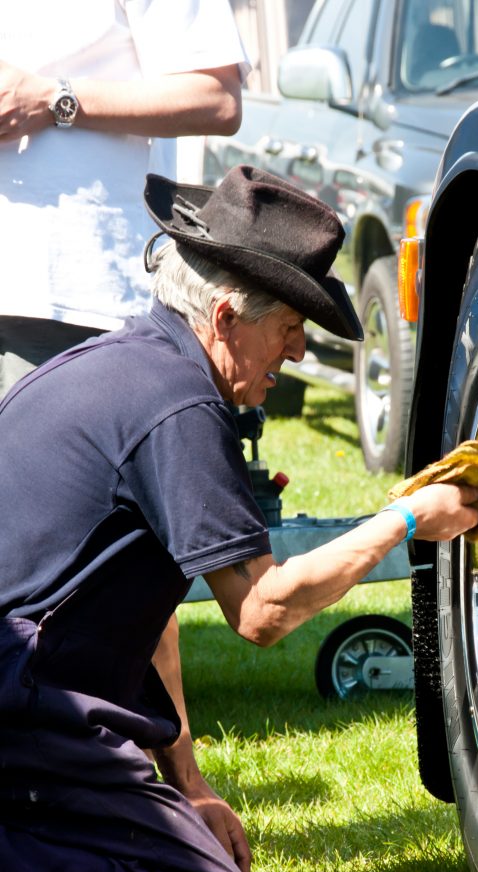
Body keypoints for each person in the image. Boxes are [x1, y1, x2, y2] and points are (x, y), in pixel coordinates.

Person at [0, 164, 478, 872]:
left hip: (32, 693)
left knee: (192, 856)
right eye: (290, 327)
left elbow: (150, 618)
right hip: (24, 706)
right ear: (226, 316)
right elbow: (260, 611)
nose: (295, 353)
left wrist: (188, 782)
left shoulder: (138, 365)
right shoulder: (181, 405)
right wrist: (404, 519)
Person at [0, 0, 248, 753]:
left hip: (71, 294)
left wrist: (55, 99)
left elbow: (219, 97)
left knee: (121, 560)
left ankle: (156, 775)